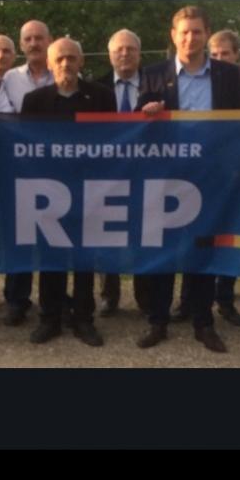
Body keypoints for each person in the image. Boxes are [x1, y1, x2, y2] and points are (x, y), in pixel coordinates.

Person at [136, 6, 240, 353]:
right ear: (173, 35)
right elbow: (135, 127)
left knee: (205, 250)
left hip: (212, 177)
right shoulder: (152, 74)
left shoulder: (228, 74)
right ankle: (158, 321)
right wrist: (145, 115)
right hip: (166, 177)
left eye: (197, 31)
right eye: (185, 31)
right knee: (163, 250)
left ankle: (203, 322)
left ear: (207, 34)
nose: (191, 38)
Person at [19, 37, 116, 346]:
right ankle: (50, 317)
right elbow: (24, 147)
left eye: (71, 58)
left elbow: (113, 139)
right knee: (51, 256)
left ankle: (83, 319)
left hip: (89, 189)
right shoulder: (34, 101)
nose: (65, 63)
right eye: (59, 58)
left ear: (81, 61)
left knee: (85, 257)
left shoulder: (102, 97)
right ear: (49, 63)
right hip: (49, 192)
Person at [0, 20, 54, 326]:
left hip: (57, 169)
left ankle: (52, 301)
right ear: (22, 45)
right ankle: (17, 299)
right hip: (20, 168)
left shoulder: (66, 72)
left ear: (50, 40)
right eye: (28, 39)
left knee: (52, 236)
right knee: (21, 235)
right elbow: (8, 120)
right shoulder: (9, 78)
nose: (34, 43)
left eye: (39, 38)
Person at [94, 28, 150, 318]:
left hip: (146, 172)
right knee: (106, 236)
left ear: (139, 54)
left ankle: (145, 297)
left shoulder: (157, 86)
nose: (125, 54)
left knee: (145, 235)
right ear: (110, 55)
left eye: (130, 49)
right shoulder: (96, 87)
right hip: (107, 175)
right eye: (119, 49)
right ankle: (109, 295)